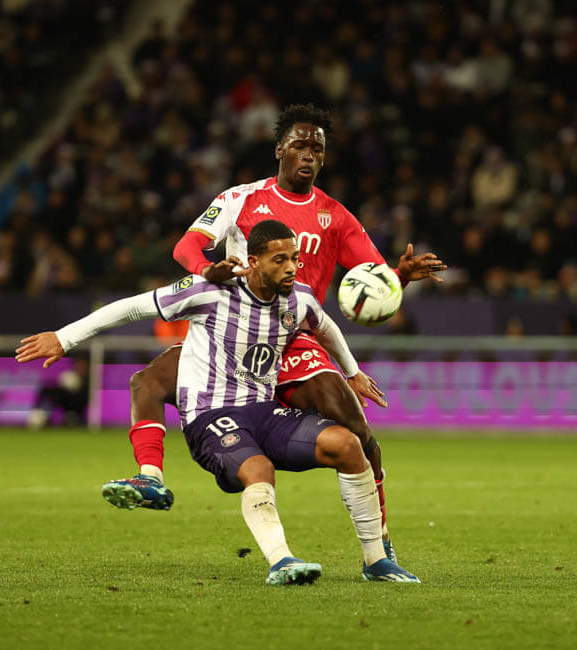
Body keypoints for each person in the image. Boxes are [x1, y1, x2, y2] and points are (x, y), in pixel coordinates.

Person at [121, 105, 446, 558]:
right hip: (229, 333)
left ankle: (381, 544)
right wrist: (206, 272)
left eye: (318, 149)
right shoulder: (240, 199)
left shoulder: (335, 216)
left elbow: (373, 281)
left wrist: (400, 277)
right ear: (279, 150)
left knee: (357, 431)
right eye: (300, 145)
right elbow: (187, 245)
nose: (309, 155)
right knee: (148, 381)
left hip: (294, 339)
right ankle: (151, 478)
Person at [15, 220, 419, 584]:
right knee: (257, 468)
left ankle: (376, 560)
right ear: (253, 261)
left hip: (264, 411)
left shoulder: (299, 299)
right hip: (210, 415)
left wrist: (352, 371)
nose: (292, 268)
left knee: (348, 445)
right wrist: (64, 338)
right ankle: (282, 560)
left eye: (295, 258)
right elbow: (133, 307)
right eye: (280, 260)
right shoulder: (210, 291)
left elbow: (326, 326)